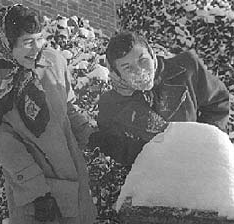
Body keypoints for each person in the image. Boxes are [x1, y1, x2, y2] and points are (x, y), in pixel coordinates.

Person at [0, 4, 101, 224]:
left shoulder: (53, 61)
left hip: (73, 180)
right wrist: (37, 192)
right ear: (6, 43)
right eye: (27, 42)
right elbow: (6, 145)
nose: (36, 48)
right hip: (36, 190)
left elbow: (68, 106)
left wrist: (91, 134)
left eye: (40, 39)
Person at [89, 31, 229, 167]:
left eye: (143, 60)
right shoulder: (111, 106)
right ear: (117, 74)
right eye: (127, 68)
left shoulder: (187, 69)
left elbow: (218, 102)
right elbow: (123, 153)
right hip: (159, 180)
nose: (139, 71)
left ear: (151, 54)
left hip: (202, 165)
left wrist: (204, 144)